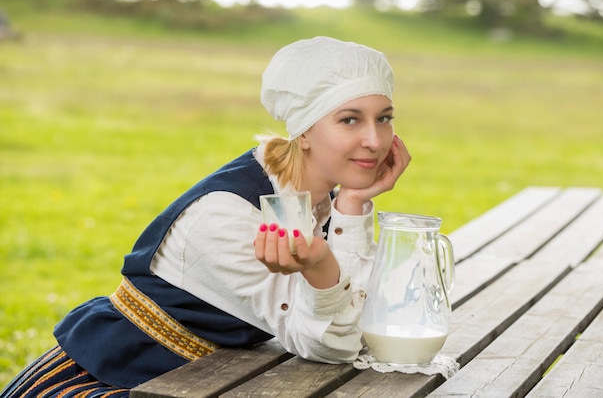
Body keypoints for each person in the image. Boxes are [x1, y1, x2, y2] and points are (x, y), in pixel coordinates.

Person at [1, 36, 411, 397]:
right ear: (303, 131)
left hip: (205, 380)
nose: (374, 141)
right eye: (349, 119)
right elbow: (333, 346)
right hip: (112, 380)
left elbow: (360, 319)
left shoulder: (318, 200)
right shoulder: (229, 214)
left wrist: (352, 204)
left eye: (384, 118)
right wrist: (326, 257)